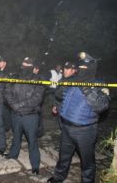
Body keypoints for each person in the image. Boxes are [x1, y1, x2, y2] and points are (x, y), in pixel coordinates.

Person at [47, 52, 110, 183]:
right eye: (80, 68)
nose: (82, 71)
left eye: (85, 69)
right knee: (63, 156)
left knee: (87, 162)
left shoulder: (99, 85)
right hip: (66, 127)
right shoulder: (72, 81)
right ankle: (58, 177)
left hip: (85, 131)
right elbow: (60, 96)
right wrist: (61, 87)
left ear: (92, 69)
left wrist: (86, 89)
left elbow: (102, 106)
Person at [5, 57, 45, 175]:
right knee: (16, 137)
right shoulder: (14, 77)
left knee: (32, 141)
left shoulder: (38, 80)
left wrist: (19, 105)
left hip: (30, 116)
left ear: (32, 66)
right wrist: (13, 106)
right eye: (23, 63)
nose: (24, 66)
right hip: (16, 114)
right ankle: (13, 154)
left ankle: (35, 165)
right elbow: (7, 92)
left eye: (27, 64)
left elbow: (37, 98)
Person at [52, 61, 77, 130]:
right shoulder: (61, 80)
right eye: (65, 69)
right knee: (61, 125)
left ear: (73, 71)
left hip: (68, 108)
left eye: (68, 69)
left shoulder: (76, 82)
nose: (65, 71)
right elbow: (56, 92)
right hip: (59, 105)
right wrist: (55, 104)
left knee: (69, 127)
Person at [0, 55, 12, 132]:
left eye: (1, 62)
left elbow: (8, 85)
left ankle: (7, 126)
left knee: (5, 112)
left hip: (5, 95)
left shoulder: (8, 72)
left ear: (5, 63)